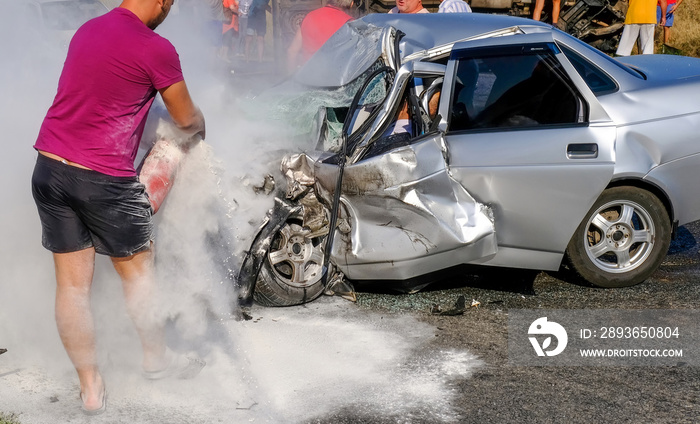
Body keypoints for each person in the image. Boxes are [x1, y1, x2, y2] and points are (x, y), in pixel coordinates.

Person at [31, 0, 206, 415]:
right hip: (102, 176)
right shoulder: (155, 47)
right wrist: (200, 124)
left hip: (50, 167)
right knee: (138, 271)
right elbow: (184, 118)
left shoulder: (88, 30)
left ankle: (91, 388)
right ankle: (156, 361)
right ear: (163, 1)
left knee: (72, 287)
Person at [286, 0, 354, 71]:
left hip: (308, 76)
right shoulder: (350, 23)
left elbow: (291, 52)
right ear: (351, 4)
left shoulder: (309, 17)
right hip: (335, 78)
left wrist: (292, 78)